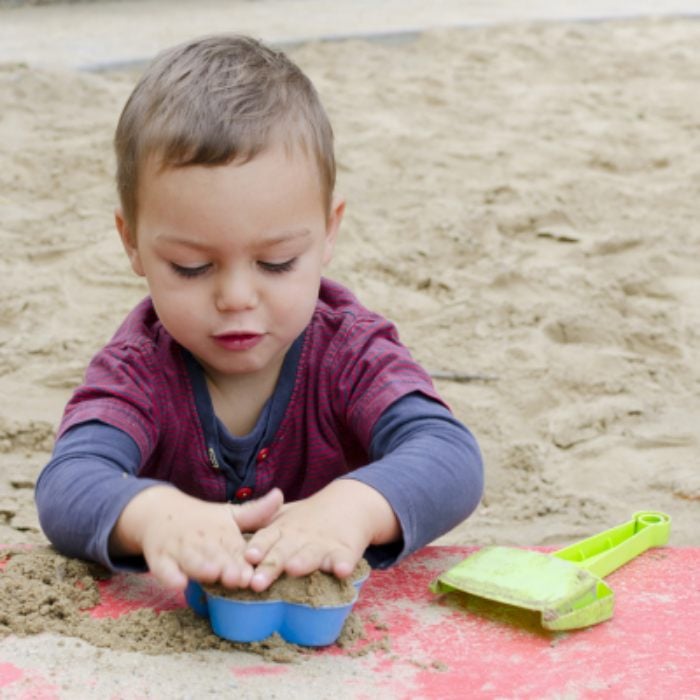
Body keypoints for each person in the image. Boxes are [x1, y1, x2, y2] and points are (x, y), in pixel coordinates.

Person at [35, 35, 483, 594]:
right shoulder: (138, 370)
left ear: (327, 233)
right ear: (132, 244)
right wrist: (153, 515)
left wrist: (353, 508)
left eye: (276, 262)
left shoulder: (348, 350)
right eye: (192, 266)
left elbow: (450, 456)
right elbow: (67, 485)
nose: (236, 297)